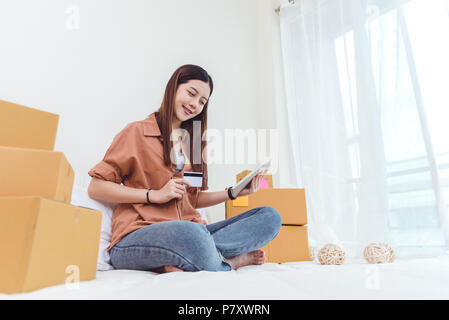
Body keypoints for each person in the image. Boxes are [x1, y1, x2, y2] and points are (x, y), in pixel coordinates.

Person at [87, 64, 281, 273]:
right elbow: (96, 187)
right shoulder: (136, 132)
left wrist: (232, 193)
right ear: (174, 87)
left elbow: (192, 199)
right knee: (192, 235)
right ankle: (230, 262)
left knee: (269, 217)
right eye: (191, 93)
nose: (194, 104)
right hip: (137, 235)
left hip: (191, 233)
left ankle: (190, 257)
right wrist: (155, 195)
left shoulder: (194, 145)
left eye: (202, 102)